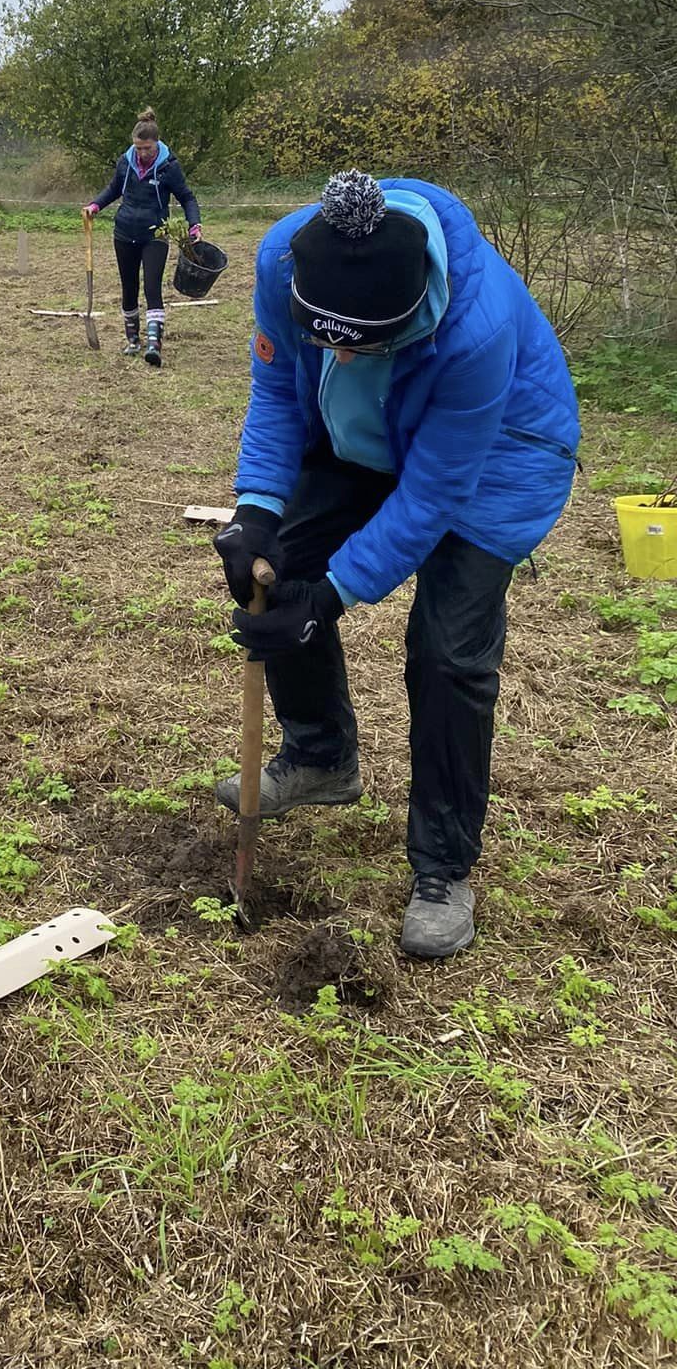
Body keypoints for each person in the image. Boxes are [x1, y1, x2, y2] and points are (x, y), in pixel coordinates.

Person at [212, 169, 579, 958]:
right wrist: (256, 509)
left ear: (411, 317)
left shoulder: (474, 330)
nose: (336, 352)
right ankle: (320, 759)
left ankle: (445, 865)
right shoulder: (285, 259)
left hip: (498, 458)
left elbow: (436, 491)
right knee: (286, 569)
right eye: (326, 339)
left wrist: (336, 595)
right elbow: (279, 393)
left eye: (360, 344)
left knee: (447, 652)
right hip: (363, 435)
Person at [84, 109, 203, 365]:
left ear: (156, 143)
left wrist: (195, 225)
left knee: (151, 286)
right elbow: (114, 188)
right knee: (129, 288)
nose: (142, 153)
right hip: (124, 232)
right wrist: (95, 206)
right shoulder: (125, 162)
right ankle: (132, 340)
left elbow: (187, 197)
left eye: (147, 148)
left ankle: (154, 344)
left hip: (155, 235)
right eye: (138, 148)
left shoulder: (169, 167)